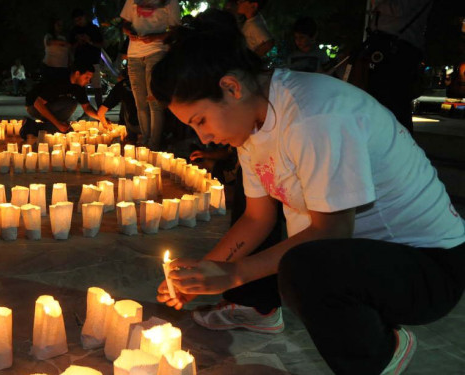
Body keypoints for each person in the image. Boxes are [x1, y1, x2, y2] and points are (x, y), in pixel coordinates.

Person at [150, 15, 465, 375]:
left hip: (428, 266)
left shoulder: (312, 115)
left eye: (200, 120)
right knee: (299, 260)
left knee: (304, 269)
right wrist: (200, 275)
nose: (203, 139)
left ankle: (382, 356)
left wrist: (234, 274)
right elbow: (257, 218)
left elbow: (331, 232)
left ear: (232, 87)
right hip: (363, 261)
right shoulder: (253, 124)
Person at [360, 0, 433, 133]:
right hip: (389, 45)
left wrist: (376, 3)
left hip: (398, 49)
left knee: (392, 100)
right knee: (382, 98)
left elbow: (399, 9)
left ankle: (398, 142)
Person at [120, 0, 181, 150]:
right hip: (134, 54)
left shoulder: (170, 2)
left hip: (156, 50)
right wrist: (129, 31)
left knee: (154, 100)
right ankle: (144, 138)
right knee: (139, 101)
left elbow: (176, 30)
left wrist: (156, 37)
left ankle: (154, 143)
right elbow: (125, 23)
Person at [22, 64, 102, 136]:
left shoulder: (79, 86)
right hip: (33, 105)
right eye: (86, 77)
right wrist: (58, 124)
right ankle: (30, 127)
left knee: (70, 107)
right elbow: (38, 103)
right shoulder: (59, 80)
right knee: (68, 108)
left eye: (90, 78)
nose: (88, 81)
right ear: (77, 74)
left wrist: (101, 118)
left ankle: (37, 125)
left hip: (49, 105)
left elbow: (87, 107)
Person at [69, 8, 104, 107]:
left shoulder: (93, 29)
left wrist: (90, 42)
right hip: (80, 61)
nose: (78, 22)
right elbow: (70, 47)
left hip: (93, 60)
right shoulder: (74, 31)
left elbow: (102, 44)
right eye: (76, 21)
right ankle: (86, 107)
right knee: (80, 86)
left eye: (80, 19)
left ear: (84, 17)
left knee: (97, 86)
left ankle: (100, 109)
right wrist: (78, 42)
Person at [42, 17, 71, 82]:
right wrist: (63, 43)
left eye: (61, 25)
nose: (60, 27)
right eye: (58, 25)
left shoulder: (63, 37)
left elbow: (67, 52)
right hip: (50, 68)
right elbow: (49, 42)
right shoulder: (48, 36)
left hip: (63, 68)